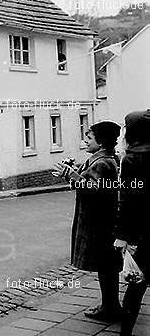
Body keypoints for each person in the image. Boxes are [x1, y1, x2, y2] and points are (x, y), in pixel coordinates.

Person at [53, 120, 123, 321]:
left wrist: (71, 175)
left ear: (100, 142)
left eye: (89, 137)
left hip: (99, 223)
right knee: (106, 266)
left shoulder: (102, 163)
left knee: (106, 266)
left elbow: (94, 189)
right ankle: (110, 304)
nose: (85, 140)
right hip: (102, 221)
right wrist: (72, 172)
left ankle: (110, 307)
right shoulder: (101, 159)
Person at [114, 109, 150, 336]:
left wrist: (122, 235)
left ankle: (125, 332)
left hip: (142, 231)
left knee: (135, 285)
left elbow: (128, 200)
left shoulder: (132, 159)